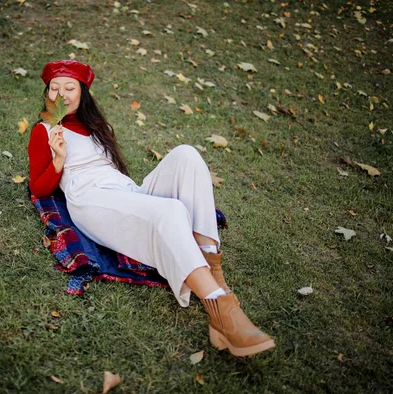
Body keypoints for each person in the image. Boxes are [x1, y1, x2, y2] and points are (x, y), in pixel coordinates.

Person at [28, 59, 275, 357]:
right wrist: (58, 160)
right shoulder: (44, 130)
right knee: (171, 211)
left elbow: (117, 172)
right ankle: (221, 307)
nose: (62, 94)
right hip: (90, 199)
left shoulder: (99, 127)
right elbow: (39, 188)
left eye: (70, 87)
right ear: (47, 94)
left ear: (83, 93)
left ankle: (212, 269)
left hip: (125, 192)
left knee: (187, 154)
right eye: (55, 88)